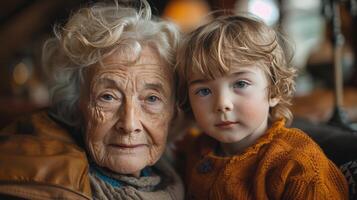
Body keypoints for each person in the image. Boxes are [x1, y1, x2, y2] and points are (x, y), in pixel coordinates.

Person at [0, 1, 183, 199]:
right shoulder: (44, 187)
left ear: (173, 111)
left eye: (152, 98)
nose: (129, 125)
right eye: (108, 97)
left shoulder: (185, 173)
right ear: (77, 103)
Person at [175, 14, 348, 199]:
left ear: (273, 91)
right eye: (204, 91)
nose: (222, 104)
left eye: (240, 84)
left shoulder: (298, 164)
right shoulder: (194, 149)